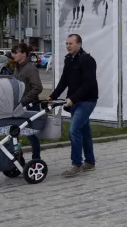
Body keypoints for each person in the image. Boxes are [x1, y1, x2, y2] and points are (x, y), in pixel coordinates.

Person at [48, 34, 99, 177]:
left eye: (71, 43)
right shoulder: (69, 59)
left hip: (87, 100)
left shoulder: (87, 60)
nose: (68, 46)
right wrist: (53, 96)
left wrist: (73, 99)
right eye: (66, 43)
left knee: (74, 130)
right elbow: (64, 80)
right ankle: (90, 162)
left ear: (79, 44)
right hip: (74, 101)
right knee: (84, 131)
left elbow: (89, 84)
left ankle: (76, 164)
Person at [11, 43, 43, 160]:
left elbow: (38, 87)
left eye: (15, 52)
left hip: (30, 106)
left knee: (31, 134)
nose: (12, 55)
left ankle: (36, 159)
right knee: (14, 133)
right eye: (12, 52)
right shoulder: (17, 67)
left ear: (24, 54)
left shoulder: (30, 68)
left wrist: (24, 101)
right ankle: (18, 159)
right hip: (18, 106)